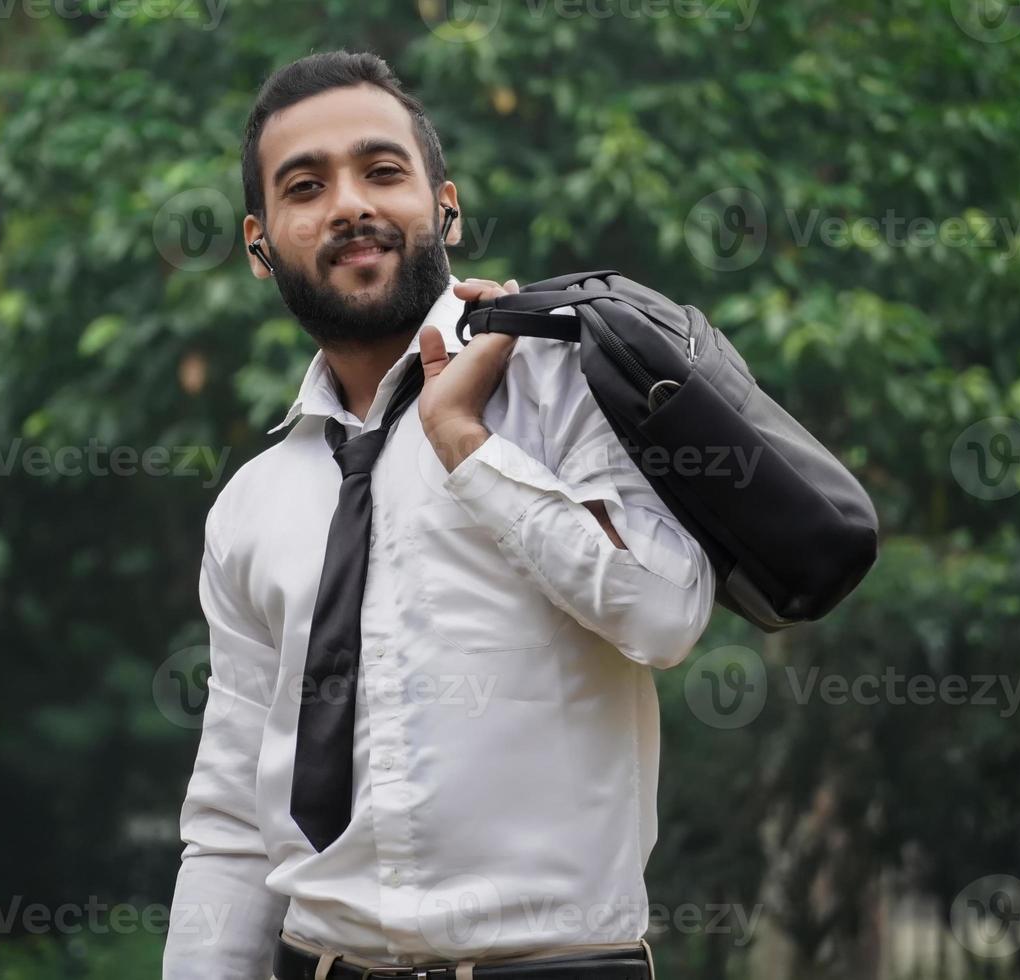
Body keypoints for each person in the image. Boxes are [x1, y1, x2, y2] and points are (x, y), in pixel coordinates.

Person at [163, 49, 714, 980]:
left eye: (382, 171)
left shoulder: (567, 391)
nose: (348, 205)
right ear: (260, 245)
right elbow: (229, 823)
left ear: (444, 205)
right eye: (307, 186)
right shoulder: (252, 504)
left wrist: (465, 443)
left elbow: (665, 615)